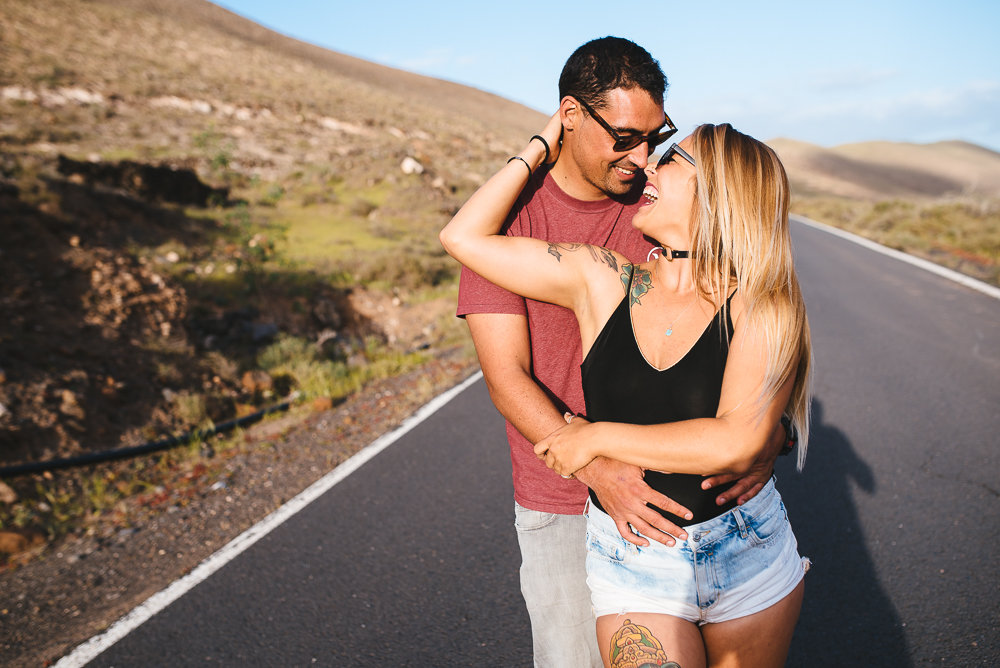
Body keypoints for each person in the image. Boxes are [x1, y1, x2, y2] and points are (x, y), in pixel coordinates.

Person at [455, 37, 792, 667]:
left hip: (699, 508)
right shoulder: (519, 223)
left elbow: (745, 336)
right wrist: (594, 462)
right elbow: (507, 378)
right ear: (570, 117)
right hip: (564, 494)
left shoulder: (658, 212)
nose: (642, 159)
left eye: (655, 139)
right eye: (624, 137)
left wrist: (771, 432)